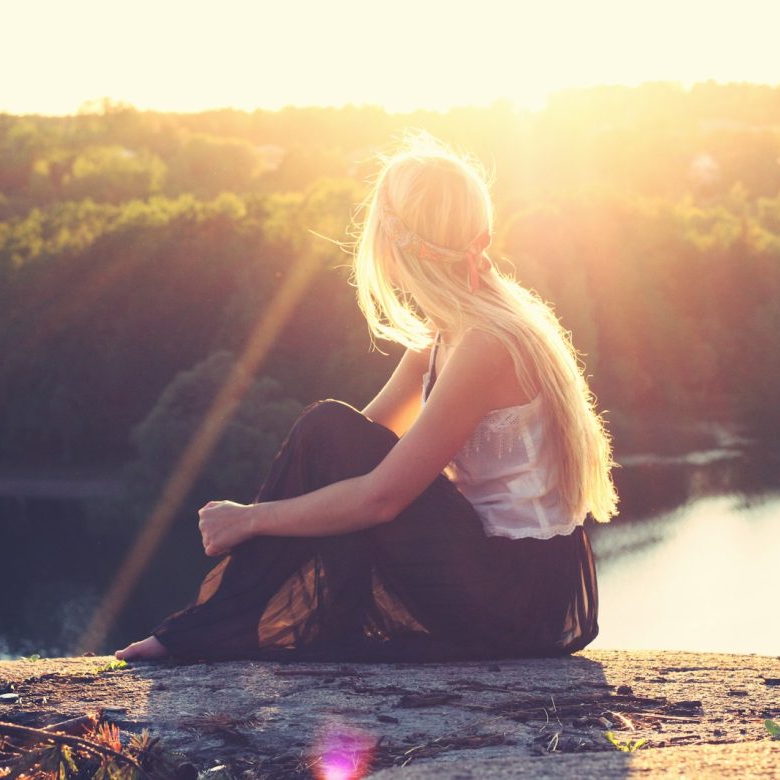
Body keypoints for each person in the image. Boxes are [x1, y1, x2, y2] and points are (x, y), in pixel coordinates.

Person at [115, 132, 618, 663]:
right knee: (326, 426)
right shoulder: (449, 330)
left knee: (328, 431)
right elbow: (344, 450)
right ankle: (219, 625)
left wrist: (252, 520)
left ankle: (211, 629)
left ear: (392, 242)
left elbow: (382, 496)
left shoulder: (484, 344)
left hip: (518, 597)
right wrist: (269, 511)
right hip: (509, 579)